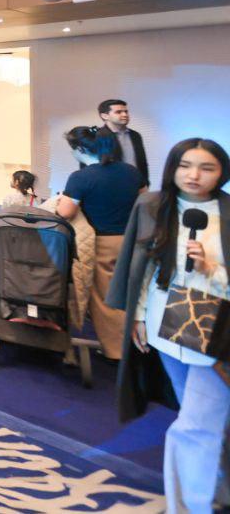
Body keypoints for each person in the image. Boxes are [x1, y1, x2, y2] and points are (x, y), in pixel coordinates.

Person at [108, 138, 229, 513]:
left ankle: (190, 506)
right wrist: (138, 315)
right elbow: (142, 267)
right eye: (185, 165)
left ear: (222, 172)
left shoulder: (227, 212)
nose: (193, 175)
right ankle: (216, 489)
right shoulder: (152, 205)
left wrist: (212, 268)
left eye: (206, 168)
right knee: (199, 417)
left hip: (215, 328)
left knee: (195, 425)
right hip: (165, 321)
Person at [57, 126, 142, 362]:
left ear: (80, 149)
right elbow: (144, 200)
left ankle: (118, 352)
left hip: (103, 244)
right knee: (131, 296)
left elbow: (65, 211)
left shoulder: (81, 177)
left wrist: (61, 199)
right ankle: (137, 345)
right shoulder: (131, 172)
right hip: (132, 240)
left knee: (106, 300)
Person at [97, 99, 149, 188]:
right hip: (112, 187)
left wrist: (146, 183)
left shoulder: (135, 135)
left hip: (137, 185)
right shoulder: (99, 136)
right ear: (105, 116)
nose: (125, 115)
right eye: (118, 112)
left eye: (126, 111)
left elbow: (142, 162)